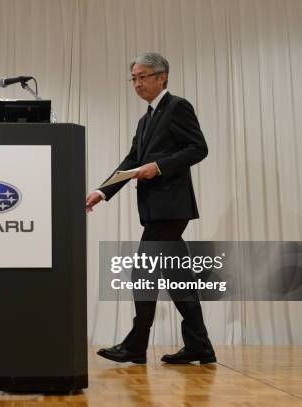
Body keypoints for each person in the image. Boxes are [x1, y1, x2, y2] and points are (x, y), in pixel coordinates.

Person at [85, 52, 216, 365]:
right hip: (157, 209)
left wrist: (158, 167)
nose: (137, 83)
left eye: (143, 76)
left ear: (162, 77)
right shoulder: (146, 119)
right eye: (134, 78)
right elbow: (132, 161)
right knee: (178, 277)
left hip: (171, 207)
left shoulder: (177, 107)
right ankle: (200, 346)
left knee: (142, 272)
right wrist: (101, 192)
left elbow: (198, 148)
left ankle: (136, 345)